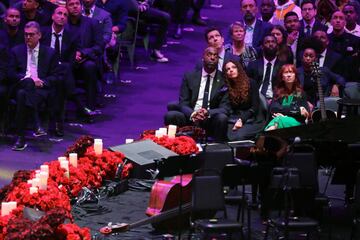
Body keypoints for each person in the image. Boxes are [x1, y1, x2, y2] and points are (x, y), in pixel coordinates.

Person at [8, 21, 60, 150]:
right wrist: (28, 79)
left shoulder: (50, 53)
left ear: (39, 35)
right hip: (20, 85)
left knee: (22, 96)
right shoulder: (16, 51)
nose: (28, 37)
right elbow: (10, 73)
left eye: (31, 35)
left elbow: (55, 76)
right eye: (26, 35)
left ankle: (21, 139)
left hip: (39, 90)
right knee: (26, 84)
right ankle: (37, 124)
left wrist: (42, 82)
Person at [164, 47, 229, 141]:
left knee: (222, 118)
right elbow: (183, 102)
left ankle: (216, 150)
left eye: (215, 55)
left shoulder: (224, 79)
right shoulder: (190, 76)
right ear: (203, 57)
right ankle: (174, 147)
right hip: (191, 115)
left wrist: (207, 113)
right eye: (209, 54)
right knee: (171, 115)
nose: (212, 58)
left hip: (211, 117)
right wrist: (193, 114)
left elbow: (225, 108)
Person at [66, 0, 104, 116]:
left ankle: (90, 106)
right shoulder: (63, 23)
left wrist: (82, 53)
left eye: (77, 4)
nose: (75, 7)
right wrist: (72, 55)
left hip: (85, 60)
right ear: (66, 7)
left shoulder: (92, 23)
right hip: (67, 60)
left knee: (90, 67)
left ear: (81, 6)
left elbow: (99, 46)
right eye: (71, 4)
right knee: (63, 68)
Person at [224, 60, 265, 140]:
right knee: (228, 135)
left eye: (233, 67)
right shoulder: (227, 87)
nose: (231, 70)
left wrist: (242, 119)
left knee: (238, 136)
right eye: (228, 69)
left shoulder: (251, 83)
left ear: (239, 69)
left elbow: (255, 107)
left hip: (253, 119)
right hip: (235, 119)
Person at [265, 64, 310, 130]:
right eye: (286, 72)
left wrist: (284, 113)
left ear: (295, 76)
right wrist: (295, 111)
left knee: (278, 120)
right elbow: (274, 109)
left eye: (291, 72)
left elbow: (304, 113)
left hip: (297, 123)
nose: (289, 75)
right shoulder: (278, 92)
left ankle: (265, 135)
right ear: (282, 77)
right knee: (279, 120)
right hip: (280, 120)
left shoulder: (300, 93)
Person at [247, 34, 285, 101]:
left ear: (277, 47)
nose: (270, 44)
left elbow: (287, 88)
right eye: (267, 42)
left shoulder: (283, 66)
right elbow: (248, 85)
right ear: (262, 47)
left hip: (276, 100)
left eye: (273, 42)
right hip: (256, 100)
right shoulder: (253, 65)